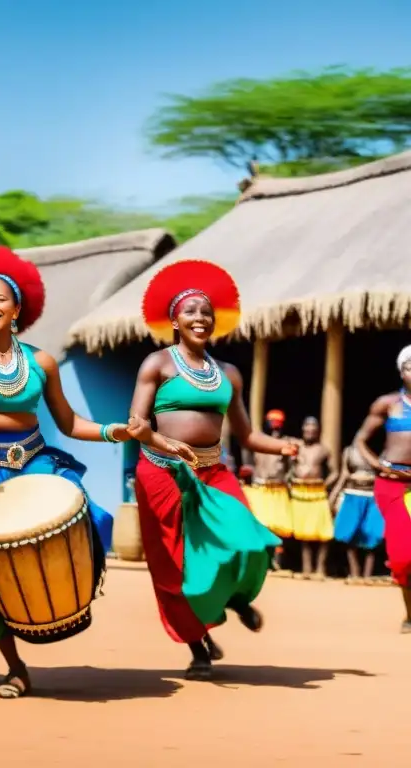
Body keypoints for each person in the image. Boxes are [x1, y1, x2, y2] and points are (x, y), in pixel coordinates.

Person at [0, 244, 124, 700]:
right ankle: (16, 666)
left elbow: (71, 423)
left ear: (18, 308)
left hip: (34, 465)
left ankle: (67, 605)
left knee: (91, 519)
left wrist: (117, 431)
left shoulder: (41, 361)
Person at [125, 259, 298, 680]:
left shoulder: (229, 374)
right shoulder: (157, 364)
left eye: (206, 312)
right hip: (162, 474)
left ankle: (235, 598)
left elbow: (247, 433)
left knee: (247, 539)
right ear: (175, 320)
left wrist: (282, 445)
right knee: (175, 567)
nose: (200, 317)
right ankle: (199, 648)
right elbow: (136, 426)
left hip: (213, 471)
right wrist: (164, 443)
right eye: (191, 311)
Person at [353, 345, 411, 633]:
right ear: (401, 371)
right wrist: (379, 466)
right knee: (402, 556)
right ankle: (410, 614)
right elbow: (361, 440)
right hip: (393, 485)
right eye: (410, 366)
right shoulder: (388, 404)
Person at [242, 409, 293, 570]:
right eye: (272, 422)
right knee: (259, 525)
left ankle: (276, 562)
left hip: (278, 489)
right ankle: (258, 562)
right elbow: (247, 454)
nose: (275, 426)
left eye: (278, 424)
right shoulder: (258, 441)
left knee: (278, 527)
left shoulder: (286, 443)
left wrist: (287, 481)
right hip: (259, 488)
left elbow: (290, 467)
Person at [329, 441, 384, 585]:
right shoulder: (349, 451)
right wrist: (333, 496)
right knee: (349, 532)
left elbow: (384, 473)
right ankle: (355, 572)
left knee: (373, 533)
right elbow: (344, 474)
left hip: (373, 496)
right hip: (352, 494)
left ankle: (367, 576)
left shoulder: (380, 449)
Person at [289, 416, 337, 580]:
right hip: (300, 491)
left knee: (324, 530)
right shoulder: (296, 447)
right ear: (302, 429)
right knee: (304, 531)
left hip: (318, 491)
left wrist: (325, 485)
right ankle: (307, 568)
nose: (310, 430)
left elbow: (335, 472)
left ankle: (320, 568)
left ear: (318, 431)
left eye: (313, 427)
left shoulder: (324, 449)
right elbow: (286, 466)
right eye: (307, 426)